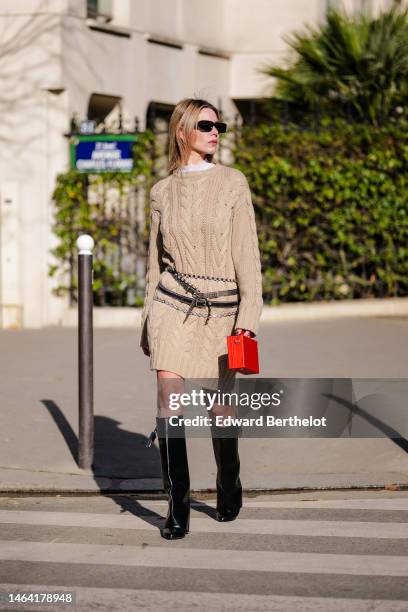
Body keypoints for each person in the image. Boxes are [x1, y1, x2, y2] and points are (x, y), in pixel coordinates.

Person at [140, 98, 263, 540]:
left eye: (220, 126)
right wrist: (147, 322)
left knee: (220, 405)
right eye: (207, 125)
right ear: (182, 131)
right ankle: (178, 504)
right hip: (173, 304)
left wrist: (248, 316)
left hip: (222, 308)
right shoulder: (161, 191)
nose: (216, 132)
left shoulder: (233, 183)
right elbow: (155, 263)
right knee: (168, 397)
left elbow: (247, 253)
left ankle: (228, 481)